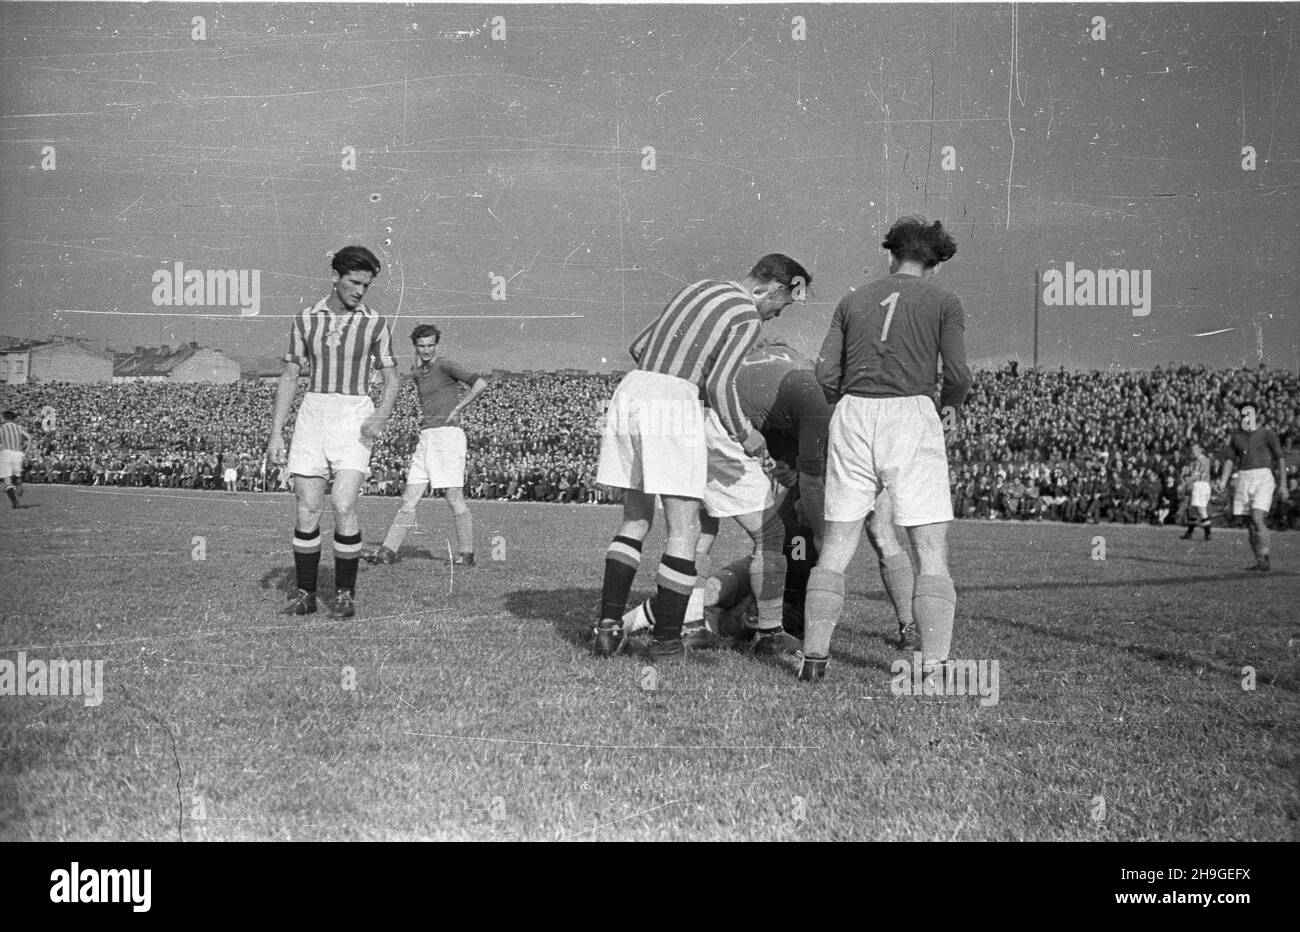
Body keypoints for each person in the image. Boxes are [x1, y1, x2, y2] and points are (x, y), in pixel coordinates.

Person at [590, 254, 810, 661]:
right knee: (684, 528)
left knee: (636, 519)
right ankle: (668, 642)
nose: (777, 314)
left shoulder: (699, 287)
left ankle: (607, 629)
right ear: (776, 288)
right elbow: (722, 384)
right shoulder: (746, 314)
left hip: (632, 392)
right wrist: (747, 434)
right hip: (674, 404)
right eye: (783, 304)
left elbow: (638, 345)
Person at [799, 216, 971, 682]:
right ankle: (933, 666)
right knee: (929, 547)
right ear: (934, 264)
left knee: (836, 543)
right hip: (910, 412)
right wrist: (952, 406)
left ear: (890, 254)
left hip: (854, 410)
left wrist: (849, 402)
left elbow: (823, 372)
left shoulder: (853, 299)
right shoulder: (943, 300)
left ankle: (814, 659)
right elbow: (957, 374)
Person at [267, 245, 399, 618]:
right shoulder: (306, 318)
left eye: (366, 285)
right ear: (336, 277)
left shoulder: (374, 322)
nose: (360, 291)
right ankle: (306, 595)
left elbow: (391, 378)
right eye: (354, 282)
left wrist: (382, 415)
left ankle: (344, 594)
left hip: (354, 414)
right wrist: (276, 433)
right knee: (307, 508)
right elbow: (290, 375)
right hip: (314, 413)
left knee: (343, 503)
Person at [367, 323, 489, 566]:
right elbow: (398, 376)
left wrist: (459, 407)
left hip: (447, 437)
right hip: (426, 438)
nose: (426, 349)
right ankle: (387, 552)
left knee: (454, 496)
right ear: (415, 346)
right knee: (409, 499)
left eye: (430, 345)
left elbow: (480, 383)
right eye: (421, 345)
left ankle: (467, 555)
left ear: (436, 344)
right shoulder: (418, 371)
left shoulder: (445, 365)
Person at [1217, 408, 1285, 572]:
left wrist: (1283, 483)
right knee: (1250, 524)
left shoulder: (1266, 433)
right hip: (1244, 477)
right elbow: (1229, 461)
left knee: (1256, 517)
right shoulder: (1236, 437)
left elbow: (1281, 459)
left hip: (1263, 476)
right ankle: (1260, 560)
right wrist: (1223, 480)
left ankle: (1266, 555)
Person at [1, 411, 33, 509]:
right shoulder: (19, 427)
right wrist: (26, 450)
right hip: (18, 453)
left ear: (5, 418)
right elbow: (29, 438)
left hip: (6, 453)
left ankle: (15, 501)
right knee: (18, 475)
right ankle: (19, 485)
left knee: (7, 479)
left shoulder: (1, 428)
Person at [1181, 441, 1213, 540]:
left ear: (1201, 450)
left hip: (1200, 485)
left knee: (1200, 509)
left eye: (1195, 449)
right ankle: (1189, 533)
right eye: (1192, 449)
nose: (1193, 451)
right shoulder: (1205, 460)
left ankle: (1208, 534)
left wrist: (1184, 484)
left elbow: (1194, 476)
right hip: (1203, 485)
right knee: (1193, 510)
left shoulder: (1199, 461)